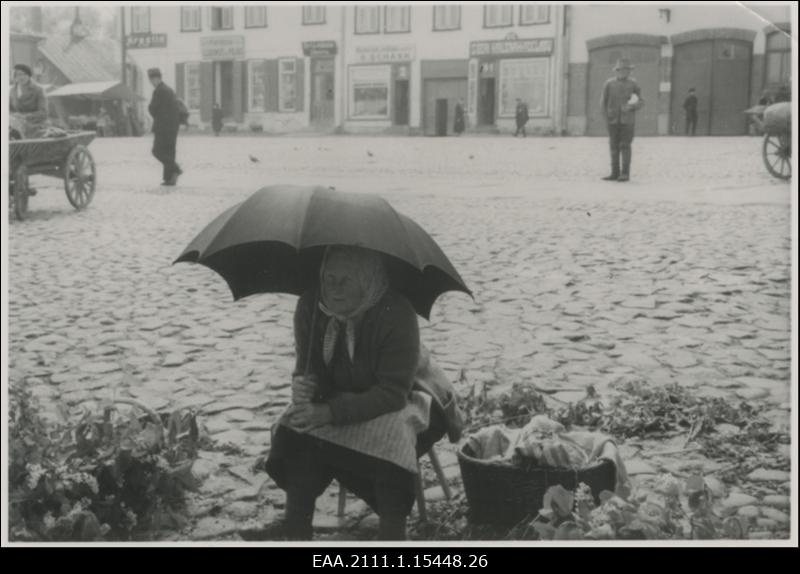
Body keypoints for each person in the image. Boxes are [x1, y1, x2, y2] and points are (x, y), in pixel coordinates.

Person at [258, 246, 447, 541]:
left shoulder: (396, 312)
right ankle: (295, 527)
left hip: (407, 394)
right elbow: (308, 369)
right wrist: (303, 385)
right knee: (297, 423)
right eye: (329, 278)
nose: (334, 289)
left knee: (394, 434)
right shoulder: (311, 305)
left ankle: (392, 534)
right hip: (343, 392)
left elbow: (393, 393)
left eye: (346, 281)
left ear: (369, 280)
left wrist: (331, 411)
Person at [600, 58, 644, 182]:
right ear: (616, 71)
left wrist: (632, 106)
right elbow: (603, 102)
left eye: (627, 70)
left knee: (625, 146)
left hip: (628, 121)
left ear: (629, 71)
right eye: (621, 70)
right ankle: (614, 172)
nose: (624, 72)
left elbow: (642, 101)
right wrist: (606, 118)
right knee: (613, 146)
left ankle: (625, 173)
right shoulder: (608, 84)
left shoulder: (633, 84)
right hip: (612, 120)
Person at [147, 68, 183, 186]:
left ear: (156, 78)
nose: (151, 82)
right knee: (169, 152)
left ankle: (176, 169)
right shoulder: (169, 90)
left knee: (157, 151)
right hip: (173, 127)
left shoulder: (159, 91)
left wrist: (155, 114)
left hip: (162, 127)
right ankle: (169, 179)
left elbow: (152, 108)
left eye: (151, 79)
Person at [10, 64, 48, 139]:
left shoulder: (38, 89)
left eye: (25, 74)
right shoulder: (12, 91)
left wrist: (24, 116)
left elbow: (43, 112)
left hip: (35, 126)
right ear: (14, 76)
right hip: (15, 126)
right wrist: (13, 116)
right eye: (19, 74)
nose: (22, 77)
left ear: (29, 75)